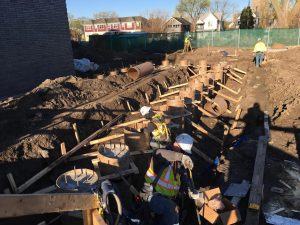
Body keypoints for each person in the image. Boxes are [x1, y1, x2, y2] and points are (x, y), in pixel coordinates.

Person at [140, 133, 203, 225]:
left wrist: (192, 191)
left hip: (169, 200)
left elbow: (185, 180)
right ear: (176, 144)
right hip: (152, 197)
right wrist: (181, 157)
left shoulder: (178, 164)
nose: (183, 153)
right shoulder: (161, 155)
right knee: (170, 209)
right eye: (182, 150)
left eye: (184, 152)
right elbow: (159, 152)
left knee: (176, 209)